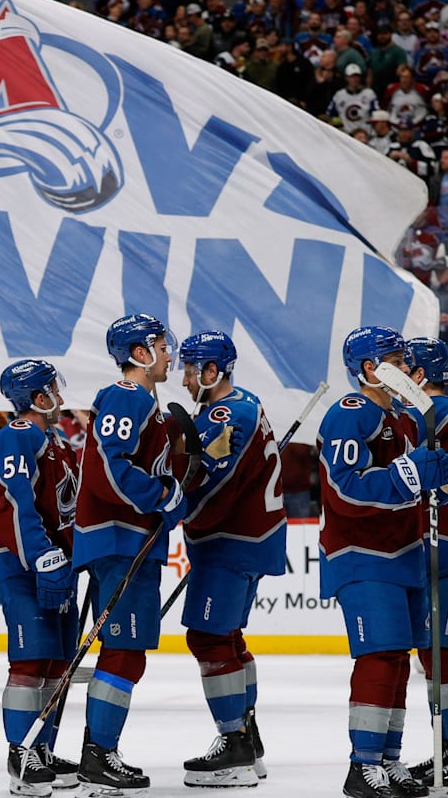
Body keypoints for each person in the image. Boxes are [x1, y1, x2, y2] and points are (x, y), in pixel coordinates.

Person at [317, 326, 448, 798]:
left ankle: (387, 760)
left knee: (398, 661)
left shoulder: (406, 420)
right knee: (379, 654)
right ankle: (361, 764)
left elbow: (417, 484)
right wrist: (414, 475)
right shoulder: (350, 413)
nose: (407, 368)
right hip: (362, 555)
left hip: (401, 554)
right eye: (396, 359)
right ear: (370, 368)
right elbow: (347, 486)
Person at [68, 313, 188, 794]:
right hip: (117, 538)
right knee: (123, 648)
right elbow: (109, 468)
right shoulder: (127, 395)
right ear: (140, 353)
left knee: (129, 650)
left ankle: (99, 750)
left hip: (129, 538)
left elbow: (146, 465)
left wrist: (185, 463)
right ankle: (98, 755)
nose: (168, 353)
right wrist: (163, 496)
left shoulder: (148, 406)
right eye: (160, 345)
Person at [172, 331, 286, 788]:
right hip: (247, 539)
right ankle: (247, 738)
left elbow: (213, 487)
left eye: (189, 369)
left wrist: (169, 511)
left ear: (211, 371)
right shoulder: (244, 403)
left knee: (207, 637)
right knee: (229, 637)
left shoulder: (226, 411)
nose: (183, 379)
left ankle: (234, 741)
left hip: (230, 540)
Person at [0, 359, 82, 796]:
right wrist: (44, 557)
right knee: (30, 662)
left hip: (54, 564)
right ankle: (20, 753)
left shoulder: (52, 440)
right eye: (53, 388)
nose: (60, 392)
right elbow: (18, 505)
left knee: (58, 663)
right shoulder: (19, 437)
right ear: (39, 398)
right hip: (21, 566)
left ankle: (41, 748)